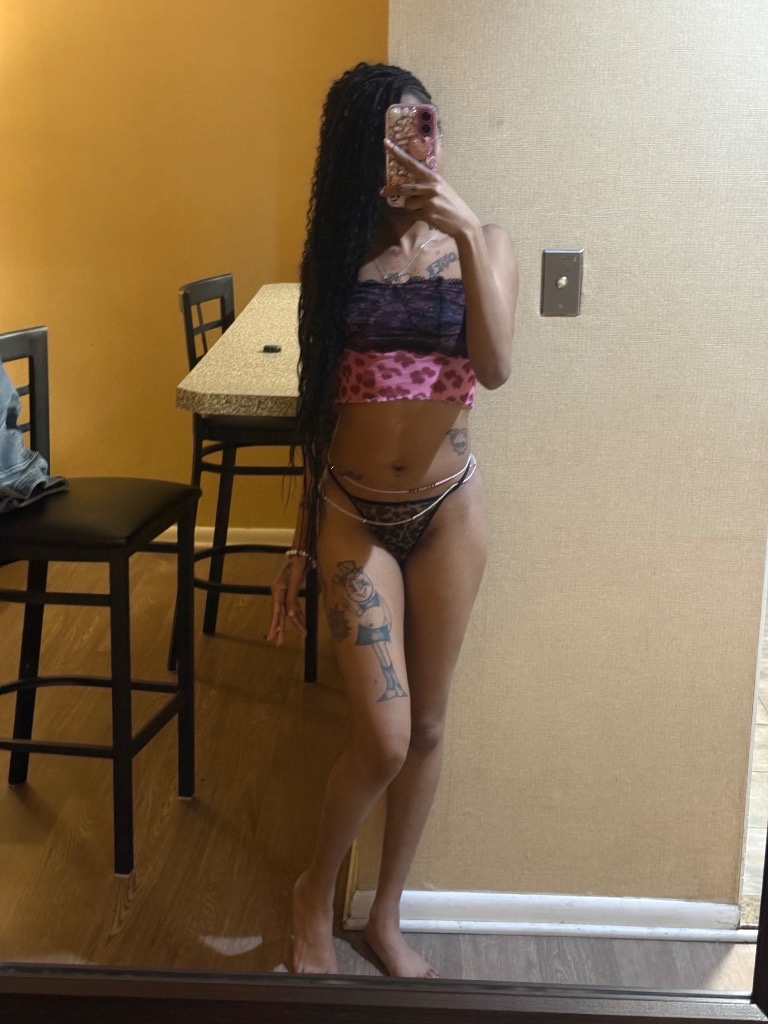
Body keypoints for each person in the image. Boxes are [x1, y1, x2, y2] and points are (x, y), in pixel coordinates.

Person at [268, 62, 519, 978]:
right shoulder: (338, 259)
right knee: (383, 736)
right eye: (394, 135)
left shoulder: (488, 242)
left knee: (432, 726)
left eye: (426, 126)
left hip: (450, 513)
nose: (419, 148)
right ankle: (313, 892)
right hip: (353, 515)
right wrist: (299, 541)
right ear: (359, 152)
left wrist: (462, 230)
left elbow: (496, 368)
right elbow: (318, 412)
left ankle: (385, 916)